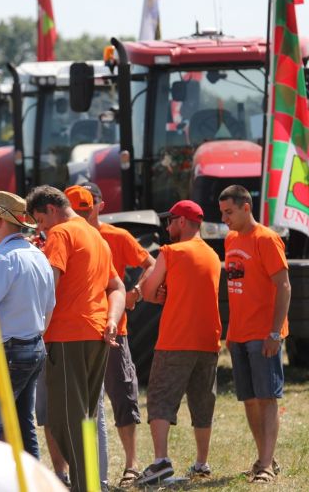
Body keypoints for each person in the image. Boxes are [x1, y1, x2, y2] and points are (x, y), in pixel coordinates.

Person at [26, 185, 126, 492]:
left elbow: (49, 284)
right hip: (97, 334)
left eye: (41, 222)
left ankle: (86, 486)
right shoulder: (96, 235)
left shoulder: (61, 233)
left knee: (62, 420)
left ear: (51, 210)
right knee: (83, 418)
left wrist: (35, 327)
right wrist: (111, 320)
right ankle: (90, 481)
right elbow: (118, 287)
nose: (43, 230)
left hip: (68, 335)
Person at [73, 182, 156, 487]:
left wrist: (135, 292)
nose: (85, 208)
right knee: (81, 404)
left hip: (113, 330)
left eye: (90, 202)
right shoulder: (66, 237)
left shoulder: (117, 236)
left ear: (100, 205)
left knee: (122, 395)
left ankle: (132, 464)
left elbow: (151, 264)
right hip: (78, 331)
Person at [137, 200, 222, 484]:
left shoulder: (170, 252)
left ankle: (161, 461)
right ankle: (201, 463)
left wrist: (158, 287)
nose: (167, 225)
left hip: (176, 338)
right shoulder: (212, 255)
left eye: (171, 220)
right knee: (202, 402)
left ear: (183, 222)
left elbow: (149, 292)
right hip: (208, 339)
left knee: (160, 399)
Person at [0, 192, 55, 458]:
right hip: (33, 346)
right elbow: (49, 308)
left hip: (9, 351)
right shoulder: (38, 255)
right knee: (22, 421)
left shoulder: (3, 256)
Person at [219, 185, 291, 484]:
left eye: (229, 212)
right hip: (238, 333)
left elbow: (284, 286)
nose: (224, 219)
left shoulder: (267, 239)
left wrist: (274, 333)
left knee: (267, 398)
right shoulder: (231, 239)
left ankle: (264, 464)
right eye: (222, 212)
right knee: (249, 399)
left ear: (246, 208)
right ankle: (266, 457)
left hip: (263, 333)